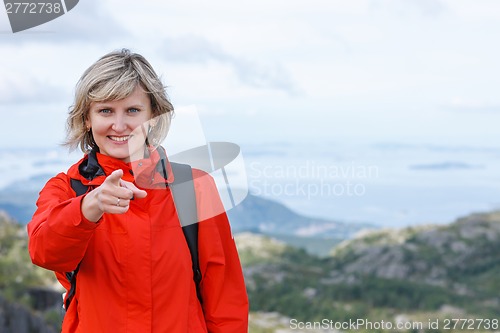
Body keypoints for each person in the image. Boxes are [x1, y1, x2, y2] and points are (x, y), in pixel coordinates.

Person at [27, 49, 249, 332]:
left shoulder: (194, 187)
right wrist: (87, 208)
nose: (119, 126)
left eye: (133, 110)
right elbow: (44, 253)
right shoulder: (66, 189)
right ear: (86, 119)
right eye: (105, 110)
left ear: (153, 116)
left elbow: (225, 297)